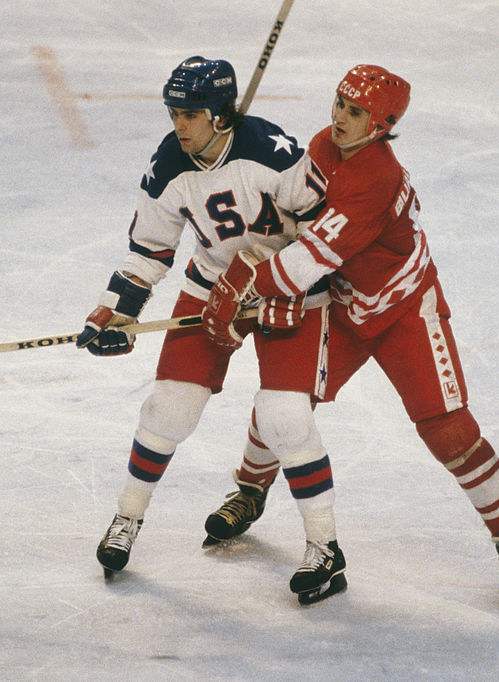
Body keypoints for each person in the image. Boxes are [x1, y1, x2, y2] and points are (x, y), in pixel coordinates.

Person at [201, 64, 499, 607]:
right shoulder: (322, 148)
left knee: (448, 430)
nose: (339, 117)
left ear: (380, 126)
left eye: (355, 112)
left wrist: (246, 280)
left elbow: (308, 260)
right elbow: (292, 223)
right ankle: (248, 490)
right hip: (347, 301)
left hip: (404, 308)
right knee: (286, 397)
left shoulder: (375, 177)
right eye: (339, 103)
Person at [76, 56, 348, 604]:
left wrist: (285, 282)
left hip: (287, 287)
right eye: (174, 111)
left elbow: (329, 230)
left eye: (192, 113)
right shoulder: (167, 164)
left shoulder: (276, 154)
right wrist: (116, 310)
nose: (179, 124)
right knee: (167, 407)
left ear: (221, 116)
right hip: (213, 287)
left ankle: (326, 548)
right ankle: (127, 518)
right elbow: (149, 250)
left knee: (285, 418)